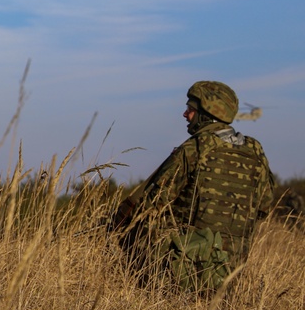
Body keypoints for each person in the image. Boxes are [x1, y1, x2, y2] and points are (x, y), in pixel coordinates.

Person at [114, 81, 276, 293]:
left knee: (132, 230)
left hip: (184, 263)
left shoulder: (195, 148)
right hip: (232, 268)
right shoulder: (254, 150)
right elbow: (265, 206)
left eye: (190, 110)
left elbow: (154, 203)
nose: (185, 114)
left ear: (206, 115)